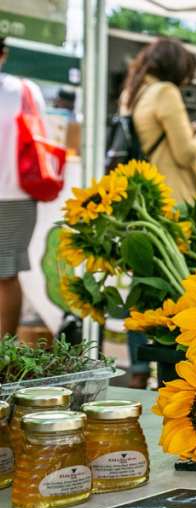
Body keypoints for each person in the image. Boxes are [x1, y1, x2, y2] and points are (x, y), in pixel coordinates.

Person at [119, 37, 196, 203]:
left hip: (143, 193)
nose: (185, 82)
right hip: (170, 195)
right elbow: (185, 154)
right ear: (177, 68)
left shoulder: (130, 93)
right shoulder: (165, 91)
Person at [0, 37, 48, 337]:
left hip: (15, 196)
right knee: (5, 274)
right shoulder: (26, 91)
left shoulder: (25, 90)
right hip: (17, 194)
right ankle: (3, 357)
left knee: (5, 275)